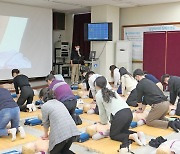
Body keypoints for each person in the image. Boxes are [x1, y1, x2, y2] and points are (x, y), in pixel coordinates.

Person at [94, 76, 146, 147]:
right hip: (128, 112)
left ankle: (131, 136)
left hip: (120, 115)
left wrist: (103, 122)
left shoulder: (99, 94)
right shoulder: (112, 91)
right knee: (122, 131)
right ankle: (138, 134)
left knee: (113, 135)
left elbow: (102, 111)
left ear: (96, 85)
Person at [39, 88, 80, 154]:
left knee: (53, 152)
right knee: (64, 151)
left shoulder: (45, 106)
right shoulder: (59, 102)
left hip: (61, 134)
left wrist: (46, 135)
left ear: (42, 97)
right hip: (72, 131)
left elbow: (45, 123)